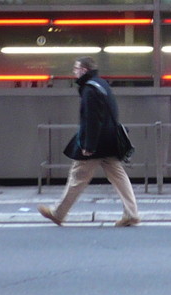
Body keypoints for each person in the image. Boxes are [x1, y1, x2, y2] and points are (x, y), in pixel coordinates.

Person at [37, 57, 140, 227]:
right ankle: (132, 214)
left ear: (84, 70)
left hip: (96, 144)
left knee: (78, 176)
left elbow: (91, 120)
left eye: (76, 68)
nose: (74, 72)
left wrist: (88, 146)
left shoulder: (89, 90)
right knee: (119, 177)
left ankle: (58, 213)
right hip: (109, 140)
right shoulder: (102, 84)